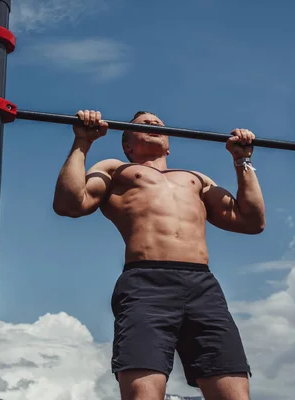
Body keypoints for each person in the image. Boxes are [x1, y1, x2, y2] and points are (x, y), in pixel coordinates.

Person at [52, 110, 265, 400]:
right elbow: (69, 203)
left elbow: (252, 221)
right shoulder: (116, 170)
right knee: (144, 394)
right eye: (143, 124)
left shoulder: (195, 178)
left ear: (169, 144)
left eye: (159, 124)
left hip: (203, 286)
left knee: (234, 395)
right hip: (146, 282)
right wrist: (82, 143)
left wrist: (242, 160)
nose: (154, 125)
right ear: (128, 144)